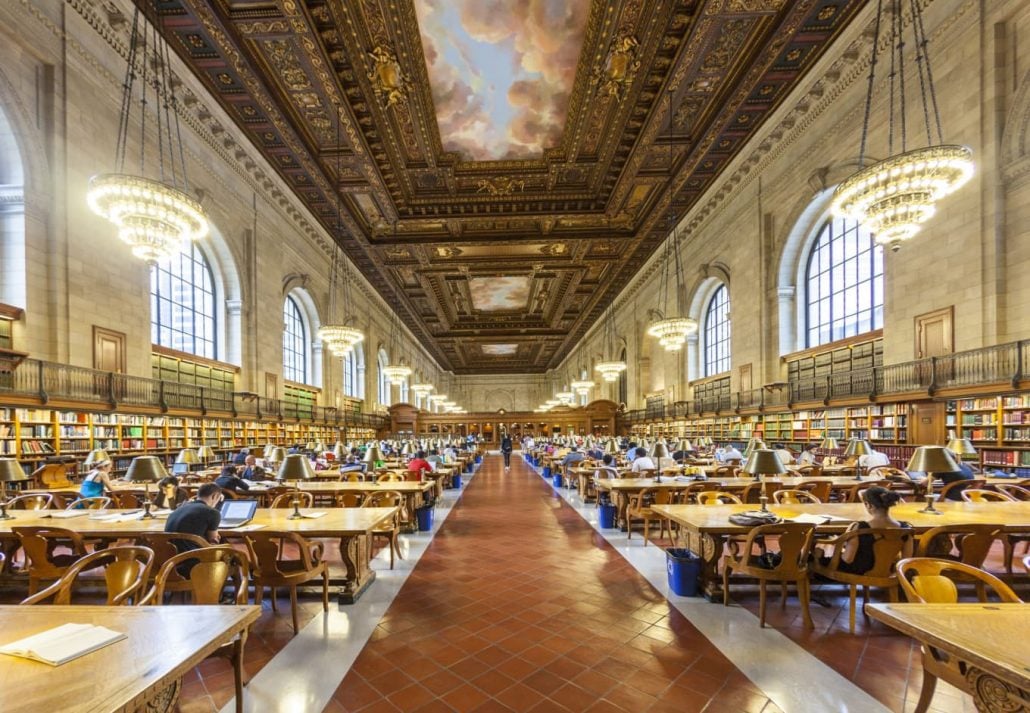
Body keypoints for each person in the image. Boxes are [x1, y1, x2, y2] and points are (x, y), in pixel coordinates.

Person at [820, 486, 913, 574]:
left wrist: (840, 548)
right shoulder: (906, 528)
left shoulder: (859, 527)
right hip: (888, 572)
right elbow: (906, 560)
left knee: (817, 557)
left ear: (869, 505)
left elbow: (847, 559)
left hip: (858, 572)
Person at [164, 482, 223, 552]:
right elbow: (213, 540)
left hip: (170, 556)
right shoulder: (212, 512)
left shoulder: (180, 508)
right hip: (192, 557)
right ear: (214, 496)